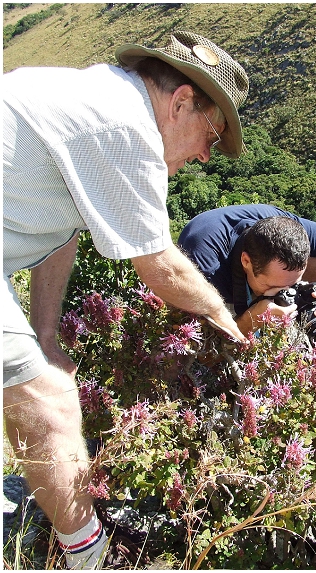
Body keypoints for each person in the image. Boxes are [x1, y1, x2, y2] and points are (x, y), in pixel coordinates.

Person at [3, 31, 249, 569]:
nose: (207, 156)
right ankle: (89, 557)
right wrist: (220, 314)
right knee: (49, 401)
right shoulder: (128, 131)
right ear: (180, 101)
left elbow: (64, 226)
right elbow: (158, 265)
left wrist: (46, 334)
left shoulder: (102, 95)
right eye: (211, 134)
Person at [177, 204, 316, 365]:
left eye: (291, 286)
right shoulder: (206, 267)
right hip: (211, 280)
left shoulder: (290, 230)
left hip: (256, 243)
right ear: (246, 262)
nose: (283, 294)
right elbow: (210, 344)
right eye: (272, 287)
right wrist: (252, 318)